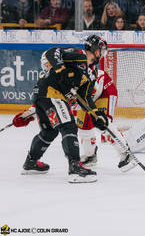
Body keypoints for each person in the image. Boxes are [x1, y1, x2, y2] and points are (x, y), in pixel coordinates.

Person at [12, 35, 109, 183]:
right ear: (95, 49)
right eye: (102, 51)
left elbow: (85, 97)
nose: (102, 55)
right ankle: (75, 166)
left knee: (49, 131)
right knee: (68, 126)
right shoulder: (78, 55)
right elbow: (53, 52)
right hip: (51, 93)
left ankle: (31, 162)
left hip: (44, 95)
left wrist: (96, 115)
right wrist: (60, 69)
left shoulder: (92, 73)